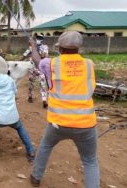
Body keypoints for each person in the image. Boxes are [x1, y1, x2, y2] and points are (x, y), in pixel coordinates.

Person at [29, 31, 99, 188]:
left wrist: (33, 45)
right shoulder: (89, 64)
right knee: (90, 161)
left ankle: (36, 177)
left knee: (45, 147)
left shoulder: (50, 64)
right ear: (79, 48)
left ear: (59, 48)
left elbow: (36, 60)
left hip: (58, 123)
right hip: (86, 124)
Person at [21, 34, 49, 108]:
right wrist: (18, 62)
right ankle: (30, 96)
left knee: (42, 84)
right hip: (32, 68)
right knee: (31, 84)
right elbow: (24, 55)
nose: (38, 39)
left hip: (41, 69)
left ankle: (44, 100)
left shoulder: (45, 47)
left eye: (40, 38)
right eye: (37, 38)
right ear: (35, 39)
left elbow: (45, 55)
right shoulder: (31, 48)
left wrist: (35, 48)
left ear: (42, 39)